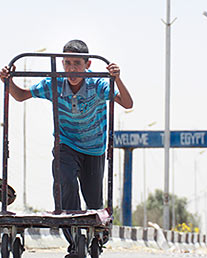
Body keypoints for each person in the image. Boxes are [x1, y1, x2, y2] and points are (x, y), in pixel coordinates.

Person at [0, 39, 133, 258]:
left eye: (77, 64)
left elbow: (127, 103)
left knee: (93, 203)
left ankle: (97, 235)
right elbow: (21, 95)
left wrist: (117, 79)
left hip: (94, 148)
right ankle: (73, 238)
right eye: (67, 63)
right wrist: (7, 80)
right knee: (65, 183)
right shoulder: (54, 83)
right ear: (62, 63)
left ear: (88, 64)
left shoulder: (98, 85)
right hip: (66, 145)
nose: (72, 69)